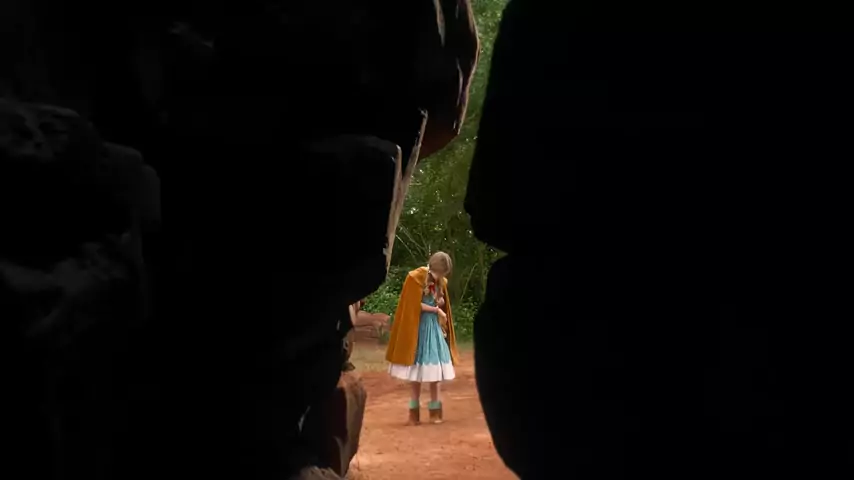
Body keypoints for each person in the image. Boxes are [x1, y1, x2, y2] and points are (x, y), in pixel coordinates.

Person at [385, 251, 460, 425]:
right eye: (439, 273)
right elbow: (412, 305)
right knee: (416, 371)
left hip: (433, 328)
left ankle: (435, 411)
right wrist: (436, 310)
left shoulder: (441, 282)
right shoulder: (415, 278)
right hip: (418, 328)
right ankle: (414, 413)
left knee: (436, 370)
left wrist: (439, 302)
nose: (440, 277)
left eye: (443, 274)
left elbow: (439, 300)